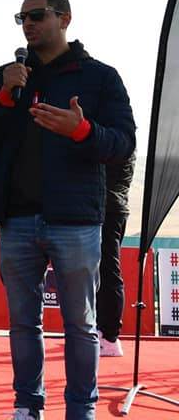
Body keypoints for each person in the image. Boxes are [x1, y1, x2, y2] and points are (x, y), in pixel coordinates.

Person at [0, 0, 136, 420]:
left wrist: (82, 131)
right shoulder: (8, 76)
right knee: (23, 324)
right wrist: (4, 96)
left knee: (81, 325)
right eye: (22, 17)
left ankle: (81, 409)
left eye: (37, 15)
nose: (28, 23)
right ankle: (27, 405)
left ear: (64, 19)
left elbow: (123, 143)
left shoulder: (100, 77)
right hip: (16, 219)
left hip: (75, 221)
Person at [97, 153, 135, 357]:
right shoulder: (124, 140)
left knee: (108, 270)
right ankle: (102, 331)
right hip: (113, 207)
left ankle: (109, 337)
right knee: (102, 271)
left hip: (108, 209)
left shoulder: (119, 140)